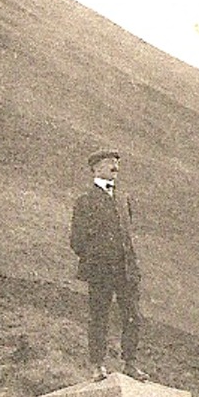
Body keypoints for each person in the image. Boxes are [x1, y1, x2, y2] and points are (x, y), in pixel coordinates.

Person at [68, 149, 143, 381]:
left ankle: (130, 363)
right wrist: (98, 259)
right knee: (99, 316)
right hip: (100, 271)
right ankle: (98, 365)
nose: (115, 168)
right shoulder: (85, 201)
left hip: (126, 270)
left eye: (117, 163)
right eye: (110, 163)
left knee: (132, 316)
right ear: (96, 168)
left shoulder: (123, 199)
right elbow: (77, 240)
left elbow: (126, 234)